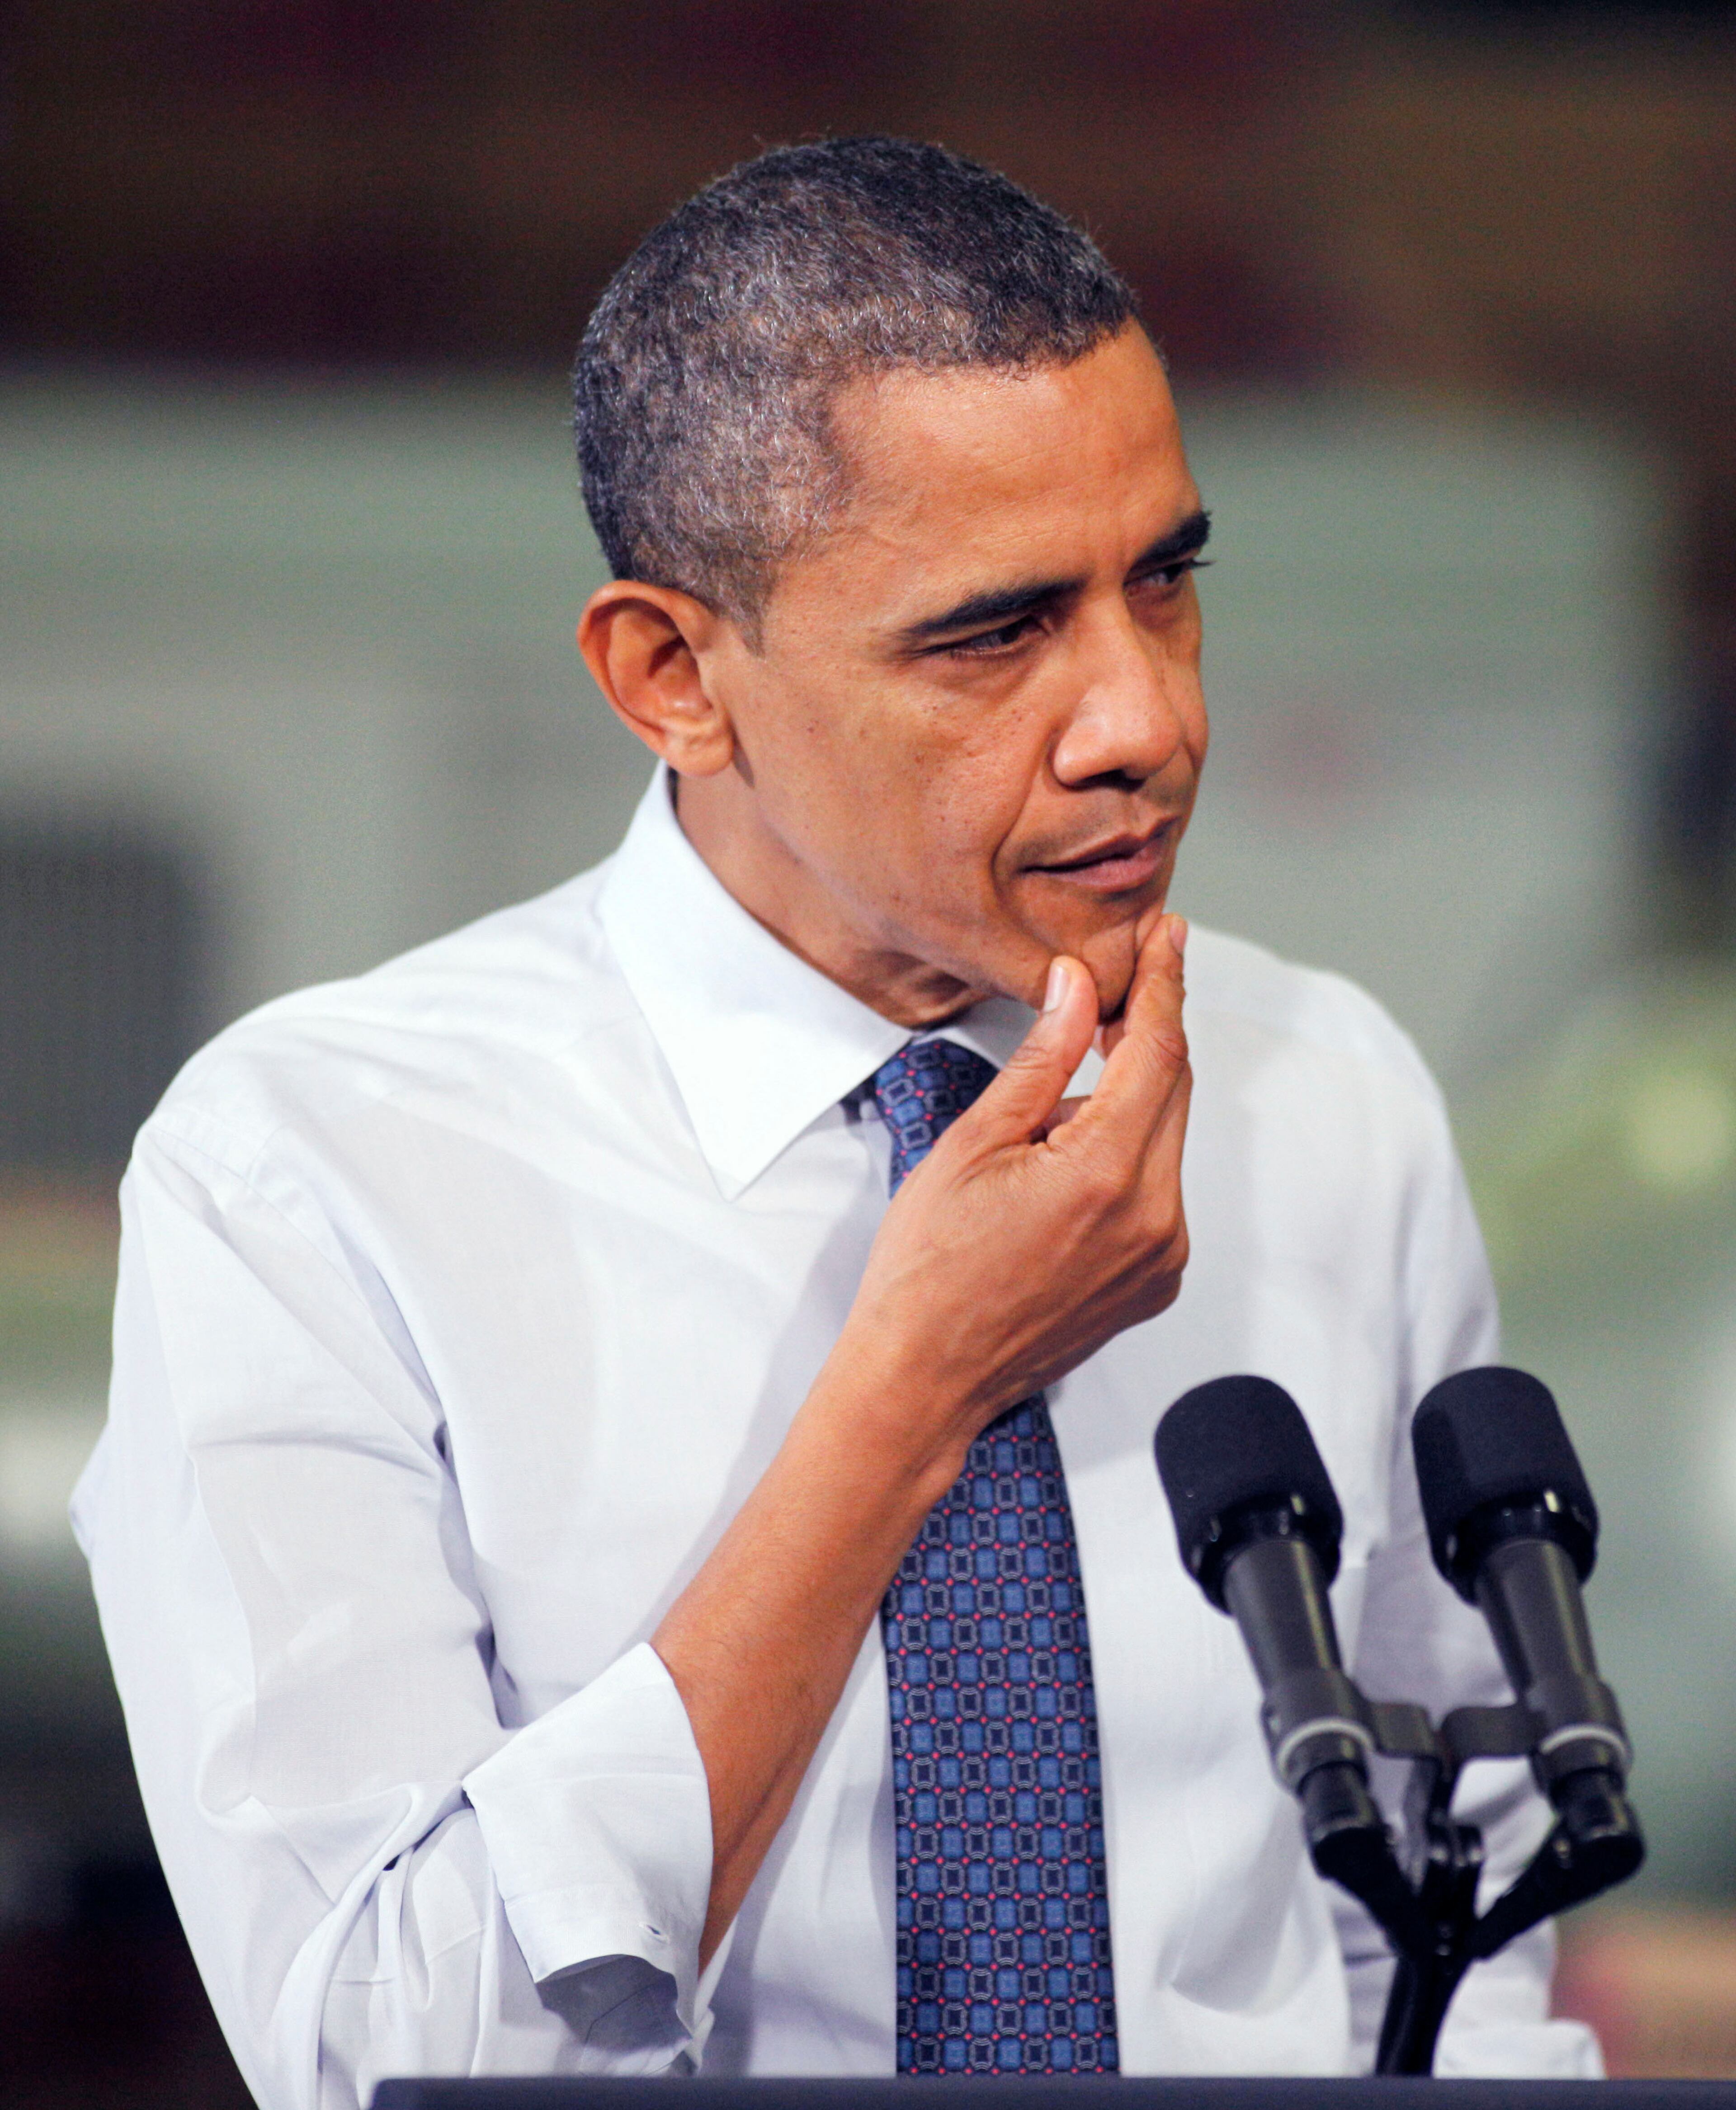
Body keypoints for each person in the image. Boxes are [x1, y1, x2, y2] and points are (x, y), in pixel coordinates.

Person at [73, 138, 1599, 2106]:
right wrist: (912, 1391)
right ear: (671, 678)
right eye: (993, 634)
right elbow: (388, 2044)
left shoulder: (1330, 1095)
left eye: (1168, 583)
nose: (1141, 717)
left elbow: (1455, 1910)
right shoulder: (314, 1170)